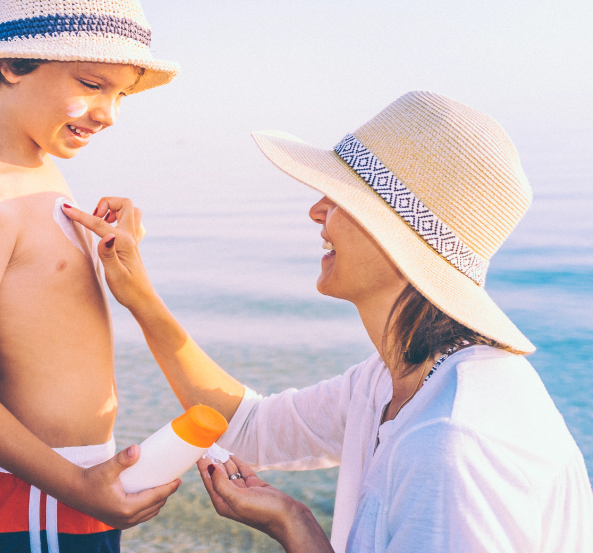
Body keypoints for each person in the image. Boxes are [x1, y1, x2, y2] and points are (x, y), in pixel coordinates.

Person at [63, 91, 593, 552]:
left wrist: (295, 526)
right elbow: (248, 427)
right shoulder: (394, 379)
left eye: (339, 196)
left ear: (398, 241)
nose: (316, 211)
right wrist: (140, 297)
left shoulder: (454, 444)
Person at [0, 1, 181, 551]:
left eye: (120, 94)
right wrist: (78, 487)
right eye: (92, 83)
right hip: (37, 493)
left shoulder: (38, 169)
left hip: (66, 483)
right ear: (12, 66)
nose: (108, 113)